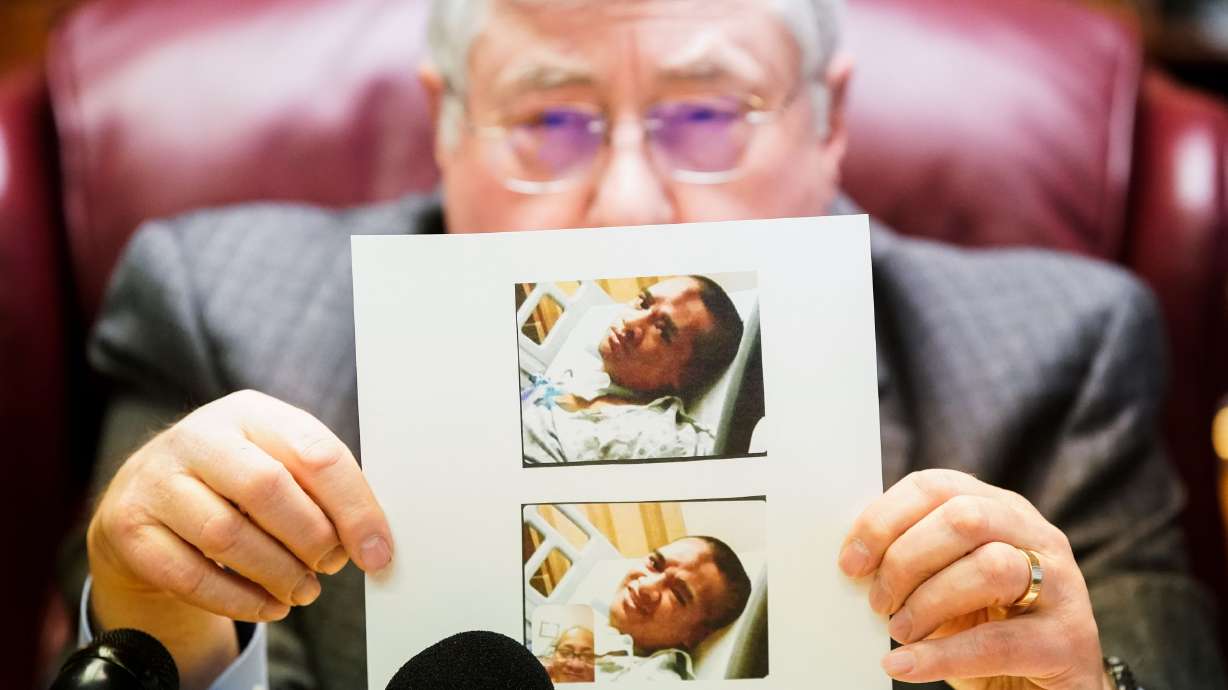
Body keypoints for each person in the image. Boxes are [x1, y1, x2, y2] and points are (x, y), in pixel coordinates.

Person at [66, 0, 1226, 689]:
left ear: (831, 127)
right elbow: (149, 640)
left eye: (710, 116)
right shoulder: (219, 310)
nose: (627, 204)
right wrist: (154, 636)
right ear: (446, 125)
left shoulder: (1057, 354)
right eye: (548, 119)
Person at [521, 275, 745, 463]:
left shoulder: (649, 436)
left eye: (661, 330)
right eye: (643, 303)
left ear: (686, 374)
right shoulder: (591, 381)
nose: (630, 322)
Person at [594, 535, 753, 681]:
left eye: (677, 594)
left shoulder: (651, 678)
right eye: (655, 564)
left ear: (695, 634)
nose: (646, 586)